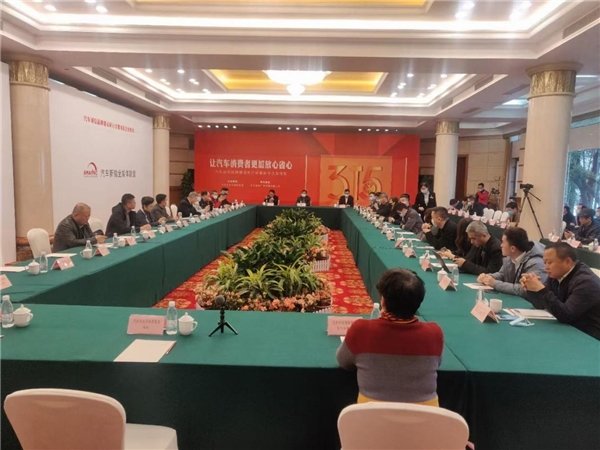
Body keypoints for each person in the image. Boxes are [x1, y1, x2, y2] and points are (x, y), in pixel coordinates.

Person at [336, 269, 443, 405]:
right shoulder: (434, 333)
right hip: (425, 418)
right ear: (419, 302)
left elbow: (343, 361)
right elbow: (437, 363)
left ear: (383, 301)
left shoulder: (361, 329)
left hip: (371, 417)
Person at [521, 243, 600, 340]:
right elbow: (541, 305)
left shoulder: (585, 282)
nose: (546, 267)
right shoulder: (556, 275)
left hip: (589, 337)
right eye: (545, 263)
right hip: (570, 329)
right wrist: (531, 288)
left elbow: (566, 315)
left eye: (549, 262)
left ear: (567, 261)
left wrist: (541, 290)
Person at [477, 227, 546, 296]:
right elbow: (502, 274)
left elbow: (525, 289)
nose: (501, 245)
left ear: (513, 248)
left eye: (503, 242)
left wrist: (494, 283)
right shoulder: (511, 256)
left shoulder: (536, 263)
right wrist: (488, 277)